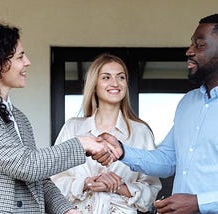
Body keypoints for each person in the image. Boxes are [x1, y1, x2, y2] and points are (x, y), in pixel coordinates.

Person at [101, 13, 218, 213]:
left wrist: (199, 203)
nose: (189, 51)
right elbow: (168, 160)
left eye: (199, 45)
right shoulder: (188, 103)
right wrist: (123, 151)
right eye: (191, 44)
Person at [0, 21, 118, 214]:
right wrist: (82, 143)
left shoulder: (19, 118)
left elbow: (37, 179)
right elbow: (25, 165)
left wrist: (67, 210)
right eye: (20, 57)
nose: (27, 62)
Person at [51, 53, 161, 214]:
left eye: (121, 77)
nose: (115, 83)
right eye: (106, 77)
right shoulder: (72, 128)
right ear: (94, 84)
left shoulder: (141, 132)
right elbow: (54, 183)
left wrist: (119, 187)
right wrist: (87, 183)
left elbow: (152, 188)